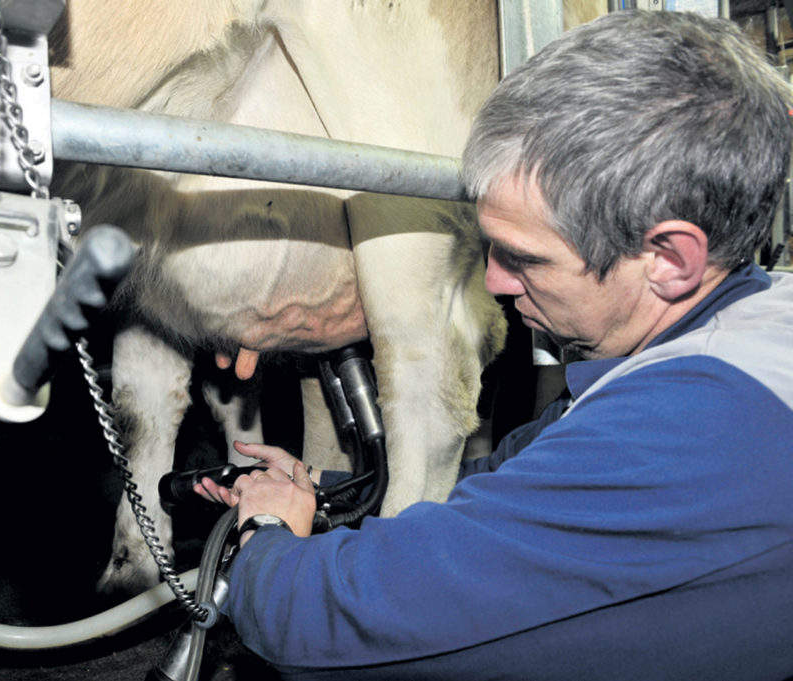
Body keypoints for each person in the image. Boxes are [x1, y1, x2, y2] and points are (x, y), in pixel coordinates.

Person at [197, 10, 793, 679]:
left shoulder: (688, 432)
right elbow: (513, 488)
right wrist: (328, 492)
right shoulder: (739, 341)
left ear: (669, 258)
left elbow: (326, 625)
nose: (494, 281)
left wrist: (267, 533)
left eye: (525, 256)